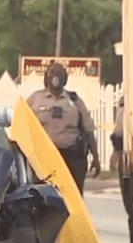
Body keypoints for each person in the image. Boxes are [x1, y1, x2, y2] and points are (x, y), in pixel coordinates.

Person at [27, 63, 101, 194]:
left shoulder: (75, 100)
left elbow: (88, 129)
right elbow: (23, 124)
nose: (55, 75)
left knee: (73, 196)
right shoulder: (36, 99)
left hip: (72, 156)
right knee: (44, 196)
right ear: (46, 77)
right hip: (44, 158)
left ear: (65, 78)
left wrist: (95, 157)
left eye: (59, 72)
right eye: (52, 72)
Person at [111, 95, 133, 243]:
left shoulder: (129, 99)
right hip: (130, 153)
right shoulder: (129, 98)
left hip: (130, 156)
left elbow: (120, 130)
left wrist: (116, 151)